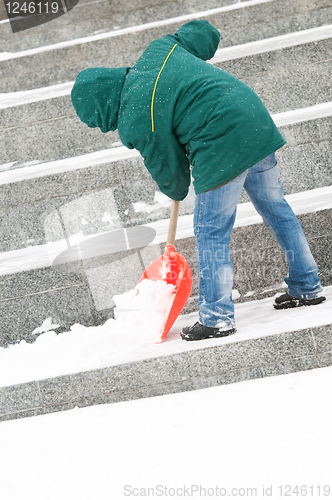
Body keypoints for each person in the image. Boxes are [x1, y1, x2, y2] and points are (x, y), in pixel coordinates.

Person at [71, 20, 325, 341]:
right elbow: (200, 34)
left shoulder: (135, 114)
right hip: (253, 119)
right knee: (276, 208)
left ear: (104, 107)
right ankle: (307, 285)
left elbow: (169, 169)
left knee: (210, 232)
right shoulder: (159, 51)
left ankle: (217, 316)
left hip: (221, 142)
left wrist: (175, 188)